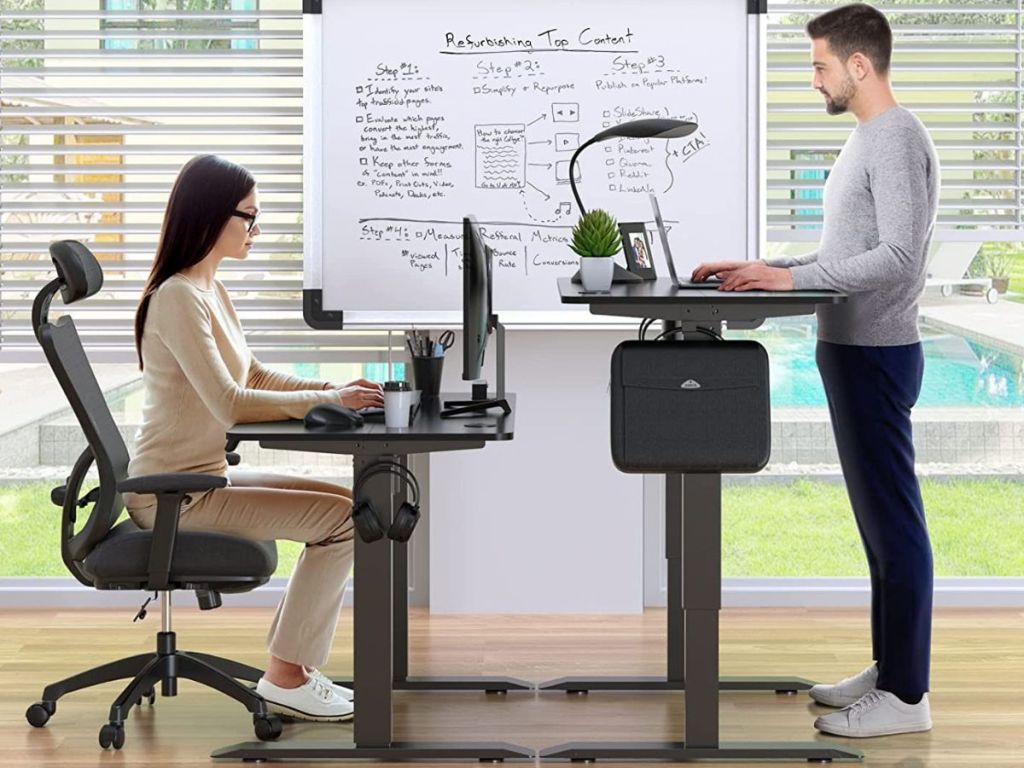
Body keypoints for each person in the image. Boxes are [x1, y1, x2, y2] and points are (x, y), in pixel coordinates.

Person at [692, 4, 938, 739]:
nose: (815, 80)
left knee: (894, 525)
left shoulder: (894, 139)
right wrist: (769, 269)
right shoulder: (871, 137)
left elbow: (897, 256)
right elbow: (848, 248)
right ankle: (891, 669)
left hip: (878, 352)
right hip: (853, 348)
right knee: (877, 526)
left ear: (859, 66)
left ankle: (908, 696)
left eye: (821, 66)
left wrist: (786, 278)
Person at [123, 154, 384, 723]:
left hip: (201, 475)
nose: (257, 231)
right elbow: (230, 402)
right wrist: (328, 402)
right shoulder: (177, 298)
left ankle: (292, 670)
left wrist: (332, 388)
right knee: (345, 522)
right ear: (213, 216)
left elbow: (256, 377)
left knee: (346, 506)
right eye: (250, 217)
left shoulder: (207, 288)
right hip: (175, 494)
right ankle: (286, 675)